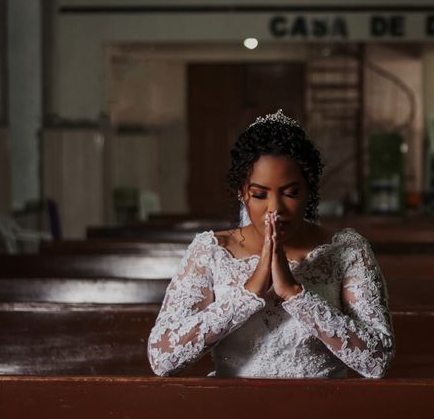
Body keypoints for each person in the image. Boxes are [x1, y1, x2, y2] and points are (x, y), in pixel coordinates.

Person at [148, 110, 395, 378]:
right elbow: (163, 359)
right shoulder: (210, 250)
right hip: (231, 408)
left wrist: (294, 293)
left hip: (323, 409)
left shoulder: (349, 250)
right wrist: (249, 293)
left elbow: (377, 359)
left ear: (309, 189)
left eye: (290, 193)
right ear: (242, 191)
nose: (274, 209)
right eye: (259, 194)